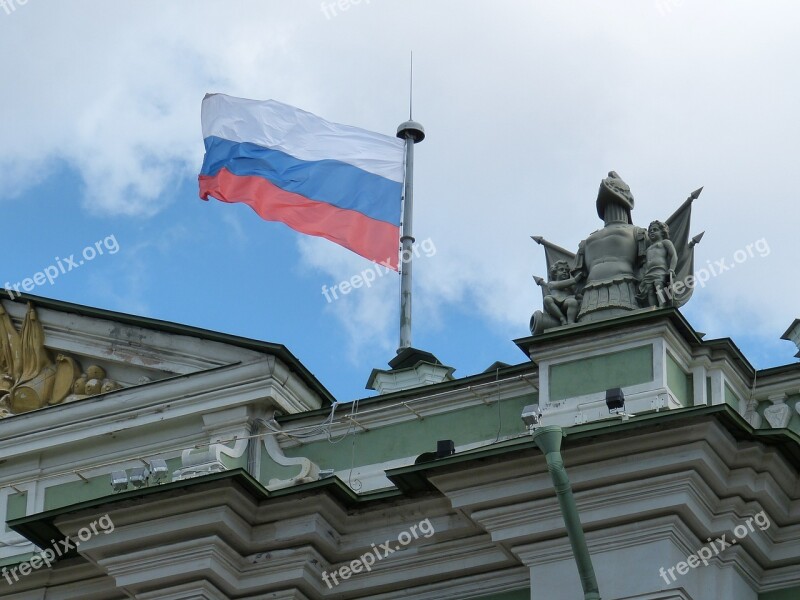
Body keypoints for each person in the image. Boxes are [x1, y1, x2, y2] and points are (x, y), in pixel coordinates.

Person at [638, 220, 677, 307]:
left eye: (655, 230)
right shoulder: (648, 248)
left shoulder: (665, 242)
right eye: (650, 230)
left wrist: (671, 269)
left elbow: (673, 256)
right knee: (650, 290)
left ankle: (661, 306)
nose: (652, 232)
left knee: (658, 286)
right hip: (649, 272)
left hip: (660, 270)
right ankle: (653, 308)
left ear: (662, 232)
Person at [538, 260, 581, 325]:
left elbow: (576, 294)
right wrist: (574, 280)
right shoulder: (551, 283)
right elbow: (559, 285)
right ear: (555, 273)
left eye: (566, 271)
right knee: (547, 299)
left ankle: (570, 321)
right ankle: (562, 318)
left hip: (566, 302)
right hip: (555, 302)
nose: (564, 272)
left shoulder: (569, 286)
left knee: (572, 302)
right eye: (561, 269)